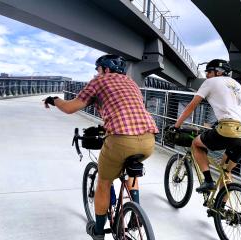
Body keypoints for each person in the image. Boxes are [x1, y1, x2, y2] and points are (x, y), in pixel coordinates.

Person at [43, 54, 158, 240]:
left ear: (105, 69)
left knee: (104, 183)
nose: (96, 73)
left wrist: (54, 99)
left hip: (121, 140)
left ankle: (98, 231)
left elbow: (70, 107)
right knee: (132, 172)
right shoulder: (131, 83)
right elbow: (126, 110)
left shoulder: (99, 81)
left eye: (97, 69)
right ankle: (135, 216)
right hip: (148, 139)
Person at [173, 59, 241, 193]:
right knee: (226, 170)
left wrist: (176, 126)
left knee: (196, 143)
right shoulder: (236, 84)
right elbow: (232, 109)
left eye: (209, 72)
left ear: (218, 72)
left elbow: (191, 106)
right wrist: (215, 125)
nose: (207, 75)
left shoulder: (210, 82)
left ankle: (208, 181)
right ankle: (222, 208)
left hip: (229, 129)